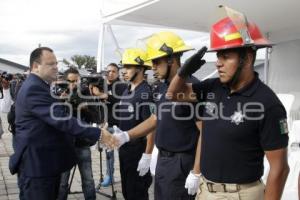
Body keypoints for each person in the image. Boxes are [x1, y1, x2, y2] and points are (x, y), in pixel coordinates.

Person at [167, 7, 289, 200]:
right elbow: (173, 95)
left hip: (242, 194)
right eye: (218, 56)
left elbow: (280, 169)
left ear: (247, 59)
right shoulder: (214, 87)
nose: (218, 63)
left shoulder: (267, 103)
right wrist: (183, 73)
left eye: (225, 56)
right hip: (206, 190)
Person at [9, 47, 116, 200]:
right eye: (50, 64)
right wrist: (98, 133)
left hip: (46, 163)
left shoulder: (41, 86)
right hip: (37, 167)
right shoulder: (34, 88)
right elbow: (61, 119)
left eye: (56, 63)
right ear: (35, 66)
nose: (55, 67)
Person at [110, 32, 203, 199]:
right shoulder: (162, 87)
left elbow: (205, 132)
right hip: (163, 160)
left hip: (181, 163)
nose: (152, 67)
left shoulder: (192, 87)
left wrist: (196, 171)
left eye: (156, 61)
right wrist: (125, 136)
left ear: (171, 60)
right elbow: (155, 119)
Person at [116, 48, 154, 200]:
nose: (124, 71)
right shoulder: (127, 91)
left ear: (140, 68)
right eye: (123, 67)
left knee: (137, 193)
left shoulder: (145, 93)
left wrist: (147, 155)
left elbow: (152, 126)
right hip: (124, 149)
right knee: (126, 191)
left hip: (138, 151)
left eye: (129, 67)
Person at [57, 68, 98, 200]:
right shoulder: (59, 93)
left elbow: (95, 117)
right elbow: (54, 119)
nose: (73, 84)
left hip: (82, 142)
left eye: (76, 81)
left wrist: (85, 109)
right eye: (70, 81)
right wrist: (60, 102)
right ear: (65, 81)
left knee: (88, 180)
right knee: (62, 182)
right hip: (65, 144)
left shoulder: (85, 93)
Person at [93, 63, 127, 187]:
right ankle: (109, 175)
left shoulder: (121, 86)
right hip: (105, 124)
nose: (110, 73)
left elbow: (119, 101)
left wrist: (102, 95)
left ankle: (126, 174)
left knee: (123, 152)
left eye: (113, 71)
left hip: (118, 124)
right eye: (108, 71)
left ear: (118, 73)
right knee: (108, 152)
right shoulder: (102, 85)